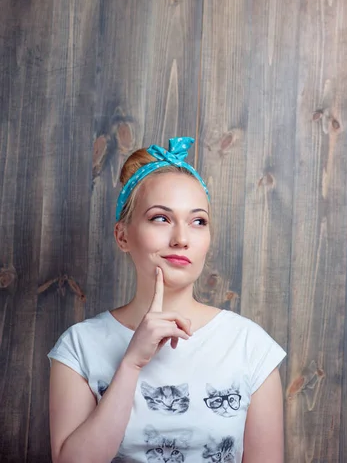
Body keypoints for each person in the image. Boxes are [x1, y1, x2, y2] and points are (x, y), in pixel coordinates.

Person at [48, 137, 286, 463]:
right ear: (123, 235)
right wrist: (131, 363)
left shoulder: (251, 348)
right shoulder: (78, 347)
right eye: (161, 218)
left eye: (198, 221)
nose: (181, 239)